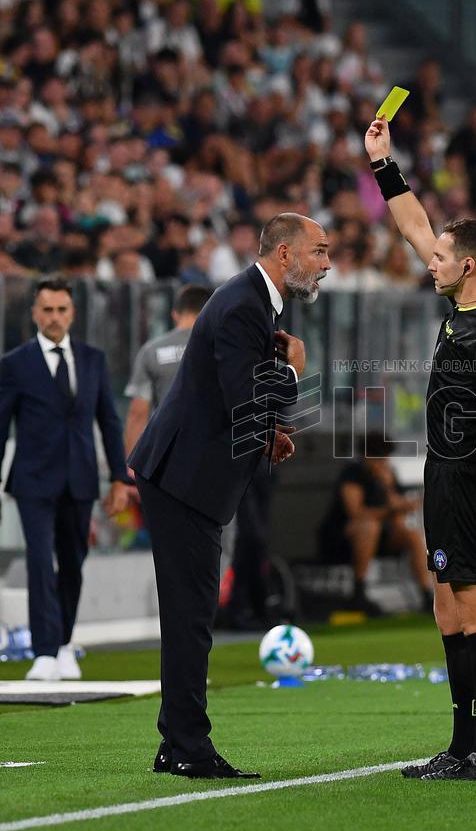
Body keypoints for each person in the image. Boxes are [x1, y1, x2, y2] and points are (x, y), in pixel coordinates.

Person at [129, 213, 330, 780]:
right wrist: (294, 373)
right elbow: (246, 398)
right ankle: (186, 746)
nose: (328, 263)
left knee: (191, 614)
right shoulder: (245, 304)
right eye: (319, 251)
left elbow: (232, 397)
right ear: (285, 255)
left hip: (189, 475)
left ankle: (179, 742)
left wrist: (270, 432)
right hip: (182, 479)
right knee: (191, 616)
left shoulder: (256, 302)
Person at [364, 117, 476, 783]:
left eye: (441, 256)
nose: (427, 258)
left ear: (469, 266)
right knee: (447, 606)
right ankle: (462, 746)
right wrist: (383, 165)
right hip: (442, 473)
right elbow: (414, 226)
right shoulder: (462, 309)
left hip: (473, 480)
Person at [0, 276, 130, 681]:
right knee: (40, 561)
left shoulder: (92, 359)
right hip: (33, 480)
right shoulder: (15, 364)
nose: (55, 317)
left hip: (81, 478)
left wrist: (120, 479)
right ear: (35, 314)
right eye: (47, 310)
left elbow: (109, 421)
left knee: (74, 562)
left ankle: (63, 643)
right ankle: (43, 651)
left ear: (72, 313)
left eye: (61, 310)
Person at [318, 433, 433, 615]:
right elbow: (356, 514)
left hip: (381, 538)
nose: (382, 463)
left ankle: (427, 595)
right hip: (344, 539)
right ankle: (359, 592)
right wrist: (391, 509)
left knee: (411, 534)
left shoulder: (388, 474)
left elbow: (397, 518)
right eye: (378, 458)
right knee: (370, 526)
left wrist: (389, 490)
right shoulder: (353, 473)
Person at [124, 284, 213, 456]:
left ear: (175, 315)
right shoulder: (222, 349)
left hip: (166, 452)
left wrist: (129, 466)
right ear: (211, 314)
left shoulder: (151, 351)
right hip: (213, 451)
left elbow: (137, 412)